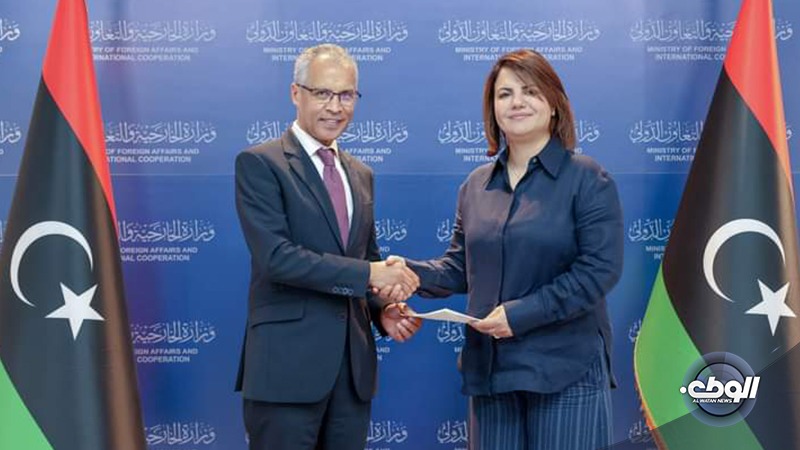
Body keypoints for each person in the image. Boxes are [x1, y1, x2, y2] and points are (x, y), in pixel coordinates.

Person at [397, 49, 624, 449]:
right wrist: (405, 273)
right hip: (491, 372)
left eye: (530, 91)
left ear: (554, 104)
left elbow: (598, 271)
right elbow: (459, 267)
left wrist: (519, 315)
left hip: (566, 369)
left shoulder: (588, 179)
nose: (517, 102)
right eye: (505, 94)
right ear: (493, 110)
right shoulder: (475, 185)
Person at [234, 43, 422, 450]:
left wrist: (382, 310)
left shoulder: (360, 173)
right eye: (322, 93)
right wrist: (370, 274)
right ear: (295, 93)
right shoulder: (261, 163)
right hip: (285, 372)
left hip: (352, 374)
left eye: (346, 95)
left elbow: (365, 259)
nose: (335, 107)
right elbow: (277, 258)